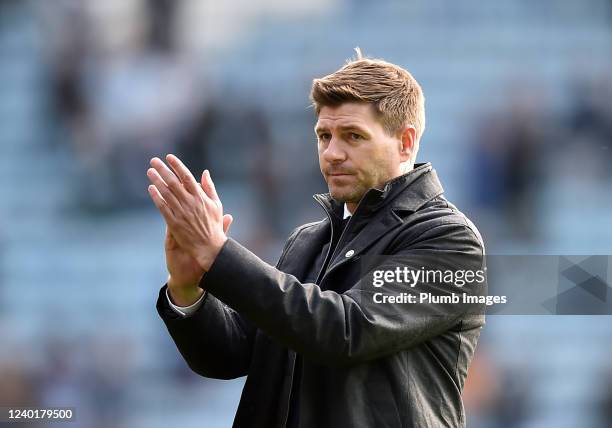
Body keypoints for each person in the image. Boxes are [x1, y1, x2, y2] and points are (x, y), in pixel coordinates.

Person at [147, 52, 486, 427]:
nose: (332, 153)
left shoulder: (450, 240)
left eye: (353, 136)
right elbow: (227, 356)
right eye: (324, 136)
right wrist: (187, 288)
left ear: (405, 142)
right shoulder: (306, 242)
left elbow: (346, 330)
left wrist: (219, 255)